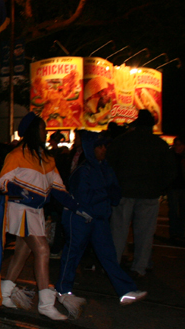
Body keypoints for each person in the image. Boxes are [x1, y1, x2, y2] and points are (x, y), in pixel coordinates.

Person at [0, 112, 91, 320]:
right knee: (42, 250)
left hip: (37, 212)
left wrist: (77, 207)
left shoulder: (47, 158)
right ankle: (46, 303)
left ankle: (4, 293)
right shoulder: (16, 155)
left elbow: (58, 189)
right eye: (42, 128)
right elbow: (3, 181)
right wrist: (20, 190)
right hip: (20, 211)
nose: (45, 132)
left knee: (22, 252)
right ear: (32, 131)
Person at [55, 131, 147, 317]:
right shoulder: (84, 171)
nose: (104, 149)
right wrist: (106, 195)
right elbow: (85, 197)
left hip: (98, 218)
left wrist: (108, 196)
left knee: (108, 255)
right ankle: (63, 289)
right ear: (91, 148)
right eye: (100, 146)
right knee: (73, 253)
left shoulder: (105, 168)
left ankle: (126, 290)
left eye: (105, 146)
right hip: (80, 218)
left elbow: (114, 192)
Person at [107, 110, 176, 278]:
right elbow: (170, 170)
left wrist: (115, 185)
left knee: (118, 230)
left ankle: (113, 265)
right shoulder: (159, 144)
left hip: (125, 191)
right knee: (145, 233)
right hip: (150, 193)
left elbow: (109, 163)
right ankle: (140, 266)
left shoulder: (123, 141)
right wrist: (160, 187)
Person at [167, 138, 185, 243]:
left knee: (183, 210)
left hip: (184, 186)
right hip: (174, 186)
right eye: (176, 145)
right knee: (174, 210)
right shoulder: (170, 155)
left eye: (180, 145)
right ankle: (174, 232)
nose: (178, 147)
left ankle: (180, 231)